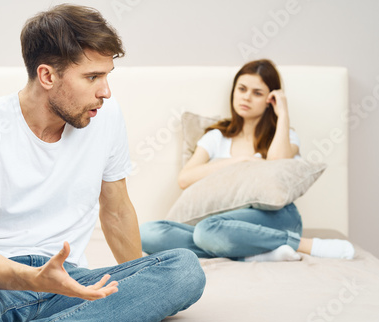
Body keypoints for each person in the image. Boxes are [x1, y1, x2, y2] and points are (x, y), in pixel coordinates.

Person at [0, 4, 205, 322]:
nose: (105, 91)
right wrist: (34, 278)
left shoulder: (105, 115)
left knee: (185, 270)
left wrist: (137, 282)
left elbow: (116, 211)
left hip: (66, 283)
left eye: (106, 76)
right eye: (92, 77)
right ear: (47, 75)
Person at [141, 59, 355, 262]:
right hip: (219, 221)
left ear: (269, 99)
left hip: (275, 218)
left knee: (207, 231)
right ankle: (254, 253)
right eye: (241, 89)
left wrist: (283, 113)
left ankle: (304, 245)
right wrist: (239, 162)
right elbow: (185, 178)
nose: (246, 97)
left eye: (257, 93)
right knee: (148, 233)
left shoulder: (285, 136)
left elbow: (278, 162)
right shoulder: (217, 136)